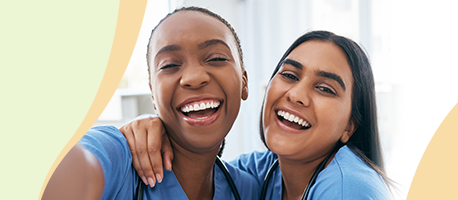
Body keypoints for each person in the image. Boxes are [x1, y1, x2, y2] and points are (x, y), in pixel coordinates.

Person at [120, 31, 394, 199]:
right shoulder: (264, 172)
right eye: (289, 75)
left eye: (325, 88)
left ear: (350, 126)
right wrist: (155, 128)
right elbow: (203, 173)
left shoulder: (348, 189)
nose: (296, 94)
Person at [42, 6, 260, 200]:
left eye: (216, 59)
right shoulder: (116, 155)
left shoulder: (248, 188)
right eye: (169, 65)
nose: (193, 77)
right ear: (153, 95)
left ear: (244, 82)